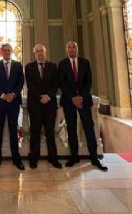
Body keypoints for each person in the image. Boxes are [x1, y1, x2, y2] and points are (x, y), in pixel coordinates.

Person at [57, 41, 108, 171]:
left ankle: (94, 157)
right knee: (71, 129)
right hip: (69, 101)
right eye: (69, 47)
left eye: (74, 47)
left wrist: (81, 98)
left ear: (77, 49)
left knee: (89, 128)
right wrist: (72, 98)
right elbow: (61, 84)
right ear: (66, 50)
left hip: (84, 101)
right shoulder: (62, 64)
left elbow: (88, 82)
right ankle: (74, 157)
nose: (72, 49)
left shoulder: (85, 62)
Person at [25, 44, 62, 169]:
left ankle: (53, 158)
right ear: (34, 53)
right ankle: (33, 158)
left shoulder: (53, 66)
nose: (40, 53)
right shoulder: (29, 67)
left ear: (45, 53)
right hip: (35, 104)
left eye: (42, 51)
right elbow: (30, 86)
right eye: (37, 51)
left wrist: (48, 97)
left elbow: (55, 85)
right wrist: (40, 97)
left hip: (50, 105)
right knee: (35, 132)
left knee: (50, 132)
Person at [0, 43, 25, 170]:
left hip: (13, 102)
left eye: (8, 50)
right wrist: (3, 95)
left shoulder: (18, 65)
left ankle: (16, 159)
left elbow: (21, 82)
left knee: (13, 131)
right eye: (4, 50)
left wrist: (13, 94)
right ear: (1, 52)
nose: (6, 52)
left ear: (11, 51)